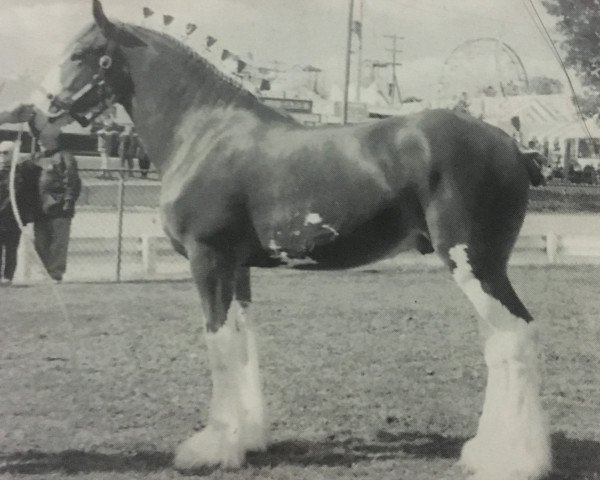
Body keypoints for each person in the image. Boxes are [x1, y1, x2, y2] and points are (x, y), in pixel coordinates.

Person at [33, 137, 81, 282]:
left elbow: (72, 180)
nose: (41, 142)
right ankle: (42, 272)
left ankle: (55, 273)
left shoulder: (64, 156)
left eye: (45, 138)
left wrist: (68, 200)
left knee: (58, 242)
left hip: (59, 207)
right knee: (40, 242)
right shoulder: (37, 157)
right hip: (40, 208)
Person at [0, 140, 36, 286]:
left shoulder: (19, 172)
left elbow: (17, 194)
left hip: (11, 217)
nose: (2, 156)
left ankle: (8, 277)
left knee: (11, 247)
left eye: (5, 153)